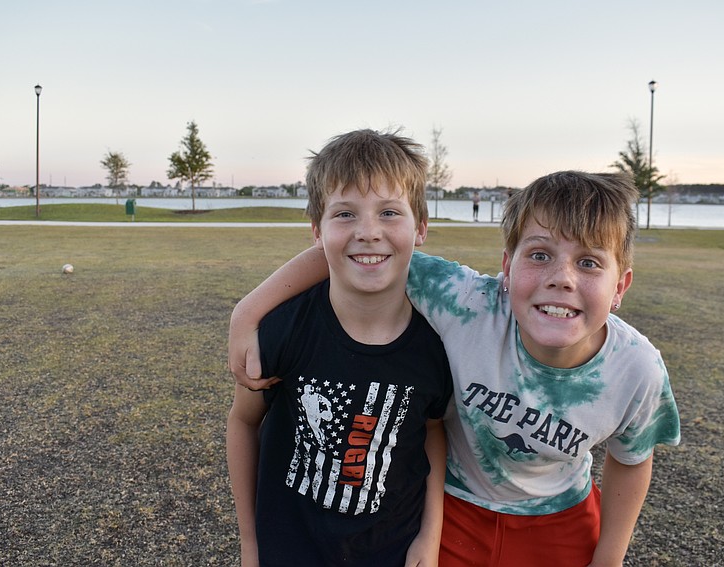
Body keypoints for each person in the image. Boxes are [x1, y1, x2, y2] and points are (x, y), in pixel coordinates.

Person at [229, 170, 681, 567]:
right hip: (455, 507)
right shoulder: (466, 304)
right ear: (507, 268)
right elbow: (353, 251)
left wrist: (608, 558)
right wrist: (247, 313)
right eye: (540, 255)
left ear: (620, 286)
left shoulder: (636, 369)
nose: (561, 278)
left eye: (589, 262)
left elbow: (632, 458)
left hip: (559, 516)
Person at [226, 129, 453, 567]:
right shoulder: (284, 329)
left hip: (391, 549)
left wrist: (430, 536)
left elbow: (432, 431)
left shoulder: (437, 344)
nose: (368, 232)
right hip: (289, 550)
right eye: (345, 214)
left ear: (421, 228)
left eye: (389, 212)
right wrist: (251, 543)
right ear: (317, 230)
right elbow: (243, 421)